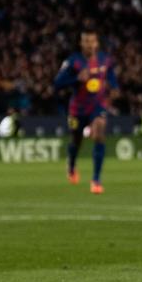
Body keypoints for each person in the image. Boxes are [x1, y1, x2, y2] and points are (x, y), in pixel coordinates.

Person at [56, 30, 118, 193]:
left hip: (98, 106)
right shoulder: (73, 62)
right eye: (86, 41)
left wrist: (115, 88)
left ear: (97, 43)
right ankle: (71, 164)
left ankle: (96, 179)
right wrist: (76, 79)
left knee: (99, 131)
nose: (89, 45)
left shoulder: (105, 60)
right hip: (77, 109)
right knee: (76, 140)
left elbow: (111, 77)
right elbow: (57, 83)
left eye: (92, 41)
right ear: (81, 43)